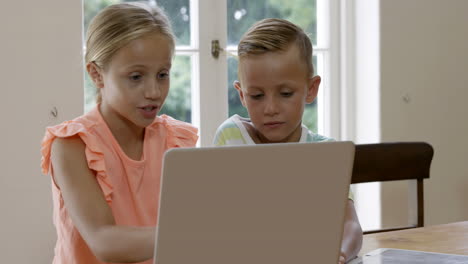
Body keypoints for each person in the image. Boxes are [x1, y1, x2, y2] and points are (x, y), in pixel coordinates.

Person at [40, 2, 198, 263]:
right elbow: (104, 241)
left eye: (162, 74)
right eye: (136, 77)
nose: (154, 92)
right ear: (97, 75)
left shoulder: (176, 140)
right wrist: (193, 234)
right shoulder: (71, 145)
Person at [213, 18, 363, 264]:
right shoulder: (231, 137)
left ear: (311, 89)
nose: (270, 108)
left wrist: (342, 254)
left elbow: (351, 225)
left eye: (285, 94)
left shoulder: (326, 152)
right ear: (241, 94)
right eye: (257, 95)